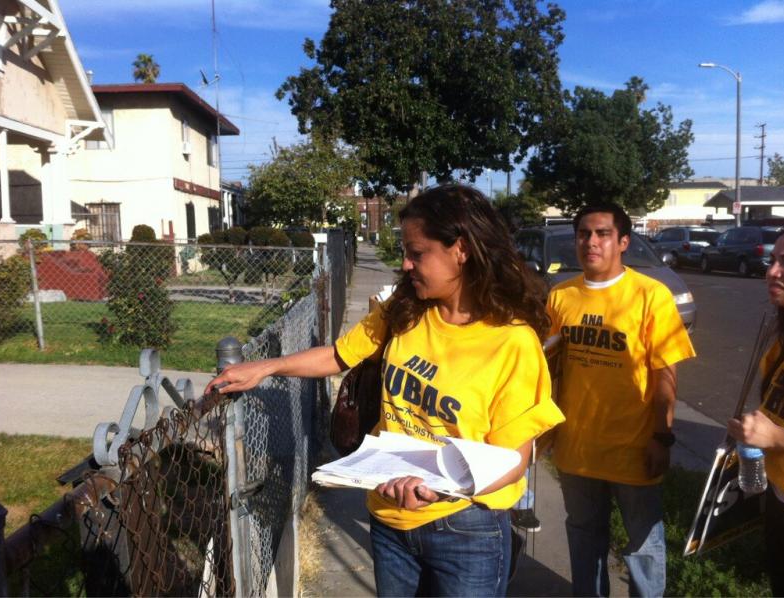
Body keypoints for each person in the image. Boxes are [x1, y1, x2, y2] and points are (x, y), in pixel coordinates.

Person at [207, 184, 565, 597]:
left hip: (466, 529)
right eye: (405, 253)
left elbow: (512, 459)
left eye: (417, 253)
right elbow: (341, 356)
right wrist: (268, 368)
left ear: (461, 250)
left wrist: (439, 488)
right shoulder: (405, 309)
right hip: (389, 519)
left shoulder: (511, 341)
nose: (406, 264)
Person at [547, 203, 695, 597]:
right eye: (583, 233)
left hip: (633, 448)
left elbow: (666, 373)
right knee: (583, 537)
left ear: (623, 241)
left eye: (602, 234)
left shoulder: (651, 295)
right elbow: (547, 364)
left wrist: (661, 437)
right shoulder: (561, 296)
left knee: (643, 546)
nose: (590, 242)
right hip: (576, 448)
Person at [727, 226, 784, 597]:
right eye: (772, 261)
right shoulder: (781, 336)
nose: (772, 271)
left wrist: (775, 437)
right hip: (781, 498)